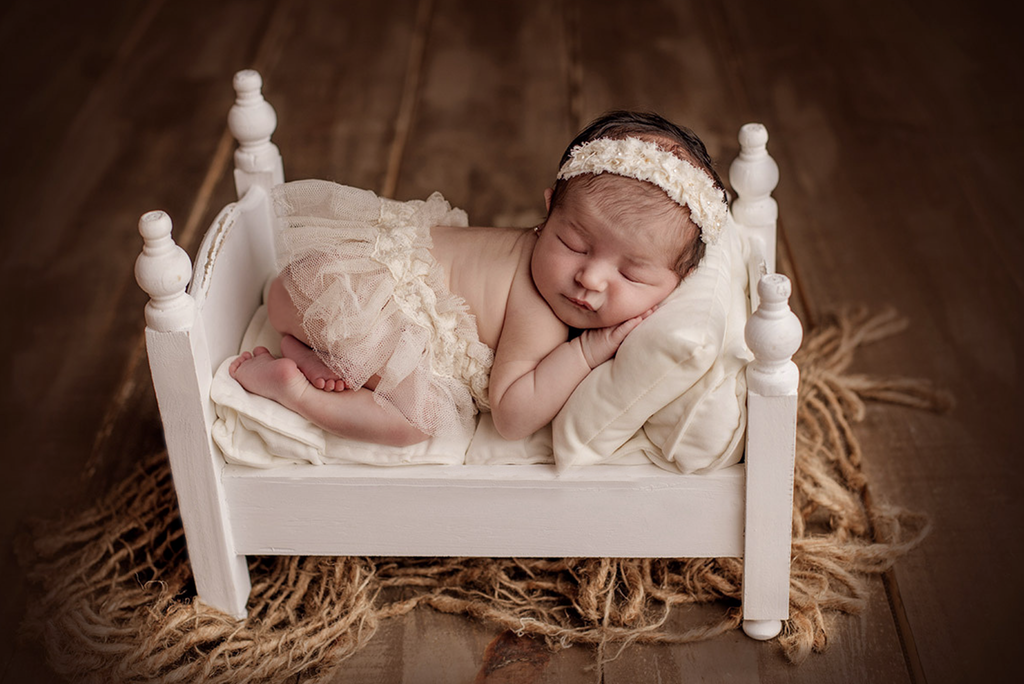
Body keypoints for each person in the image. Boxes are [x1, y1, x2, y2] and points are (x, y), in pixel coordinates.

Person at [229, 111, 729, 446]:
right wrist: (588, 351)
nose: (590, 279)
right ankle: (295, 391)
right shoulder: (540, 310)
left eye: (632, 273)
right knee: (419, 421)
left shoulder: (559, 266)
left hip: (312, 287)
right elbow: (512, 416)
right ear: (549, 209)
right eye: (573, 245)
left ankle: (307, 350)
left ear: (681, 279)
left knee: (382, 365)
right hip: (341, 300)